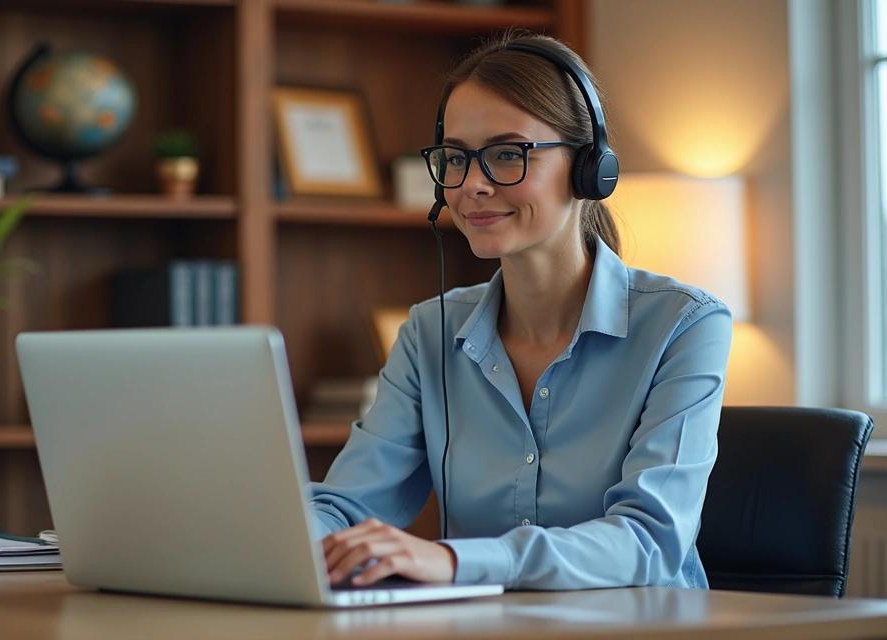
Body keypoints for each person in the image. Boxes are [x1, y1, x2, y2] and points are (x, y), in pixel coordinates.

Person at [308, 32, 733, 591]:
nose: (473, 185)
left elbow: (648, 540)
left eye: (508, 154)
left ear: (589, 168)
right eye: (456, 158)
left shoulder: (686, 326)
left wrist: (457, 562)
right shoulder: (430, 333)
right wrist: (293, 545)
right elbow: (344, 505)